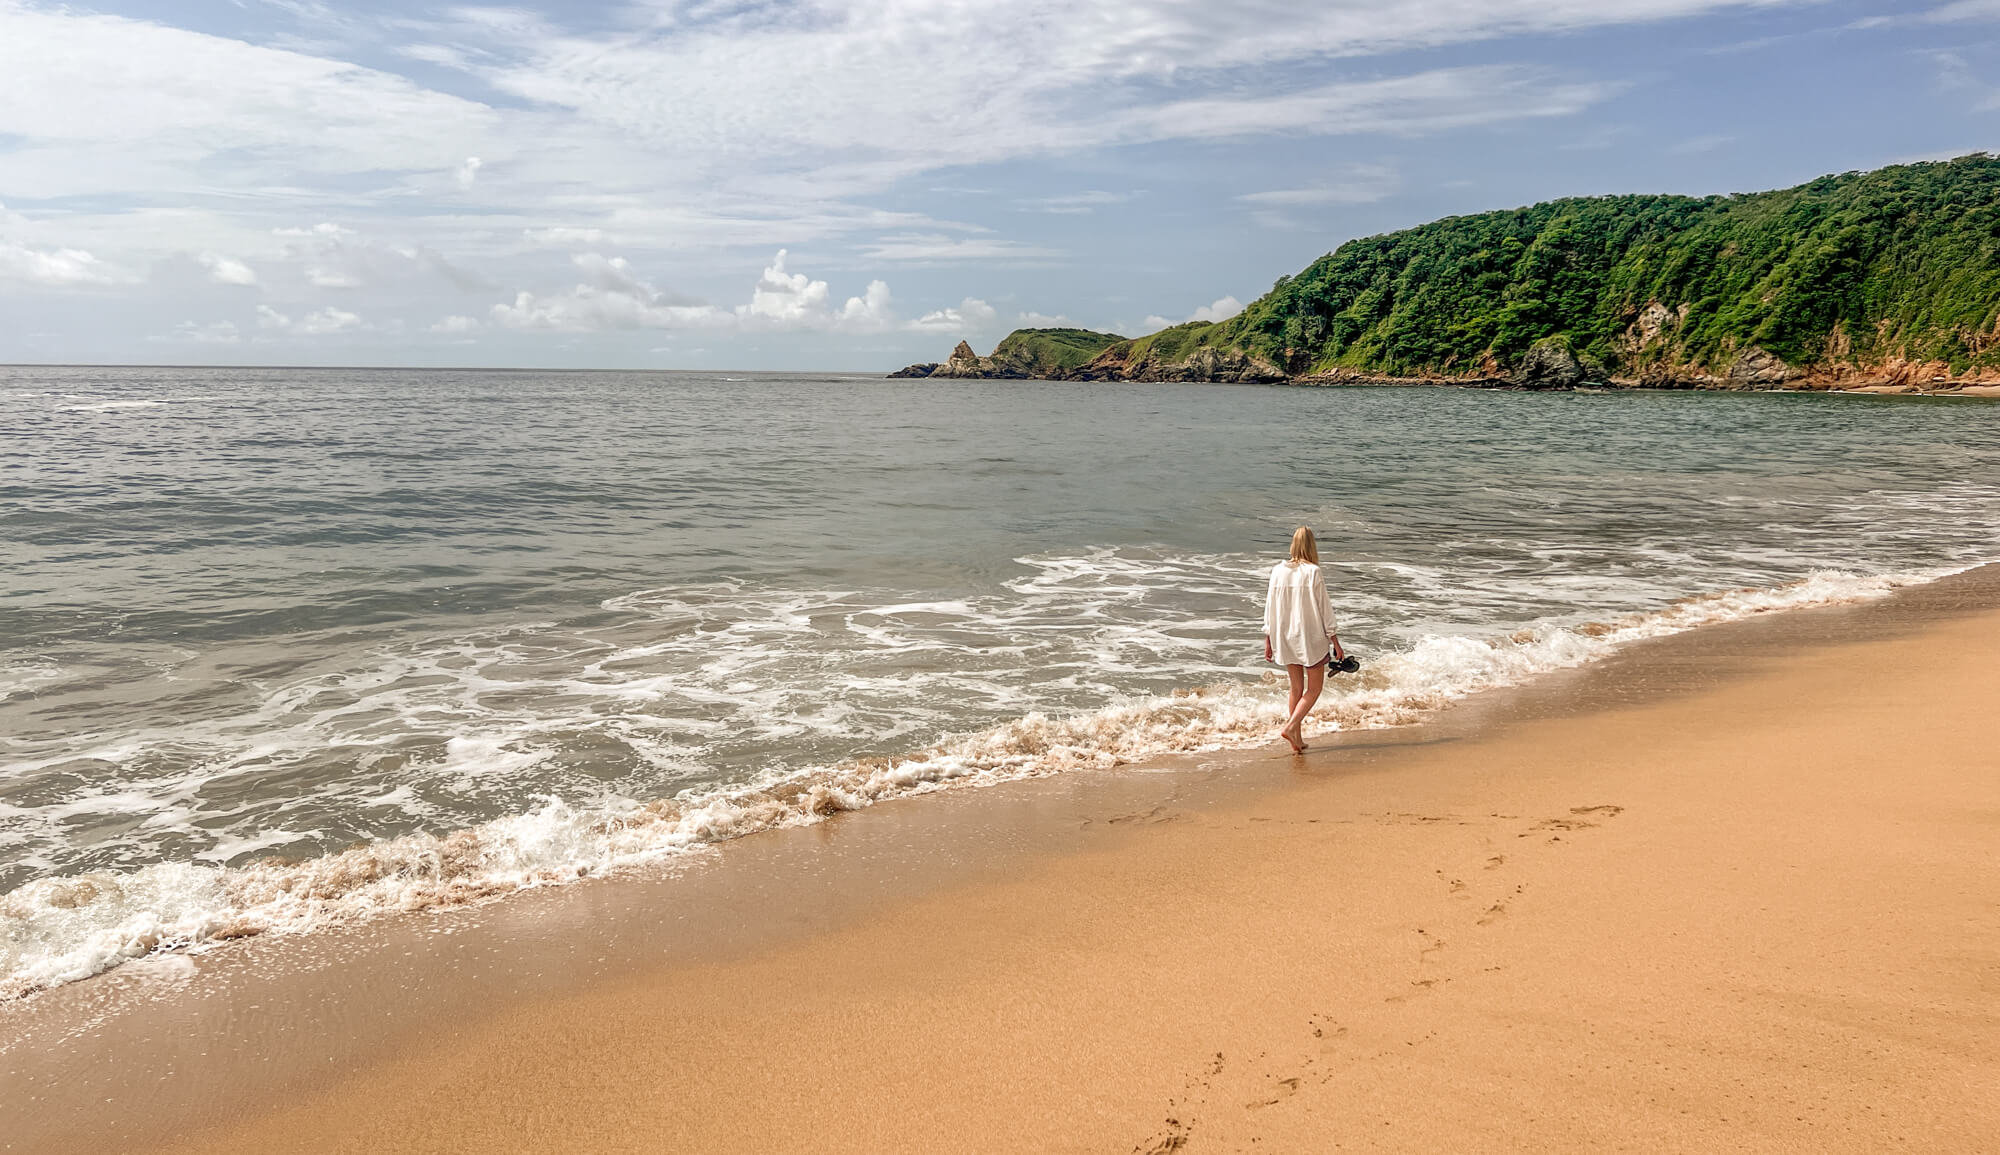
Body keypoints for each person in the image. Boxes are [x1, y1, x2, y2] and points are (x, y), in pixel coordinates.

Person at [1263, 526, 1344, 754]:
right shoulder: (1313, 571)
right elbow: (1324, 609)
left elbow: (1269, 607)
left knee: (1295, 688)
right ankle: (1290, 728)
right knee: (1314, 688)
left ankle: (1297, 739)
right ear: (1311, 545)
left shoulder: (1277, 570)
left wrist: (1268, 638)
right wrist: (1335, 640)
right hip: (1310, 636)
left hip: (1283, 635)